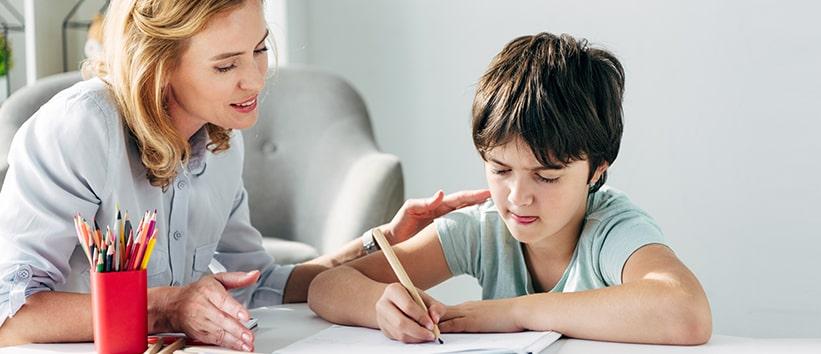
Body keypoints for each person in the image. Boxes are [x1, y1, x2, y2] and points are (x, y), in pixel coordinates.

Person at [0, 0, 488, 350]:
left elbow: (256, 282)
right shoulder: (81, 128)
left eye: (259, 49)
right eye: (226, 65)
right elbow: (10, 316)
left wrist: (377, 243)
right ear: (159, 67)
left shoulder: (222, 141)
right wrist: (168, 306)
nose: (255, 79)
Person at [308, 32, 712, 345]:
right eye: (500, 170)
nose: (518, 197)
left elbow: (686, 311)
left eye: (546, 176)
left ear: (596, 170)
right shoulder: (483, 228)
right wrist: (380, 306)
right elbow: (326, 286)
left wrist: (516, 312)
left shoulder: (611, 229)